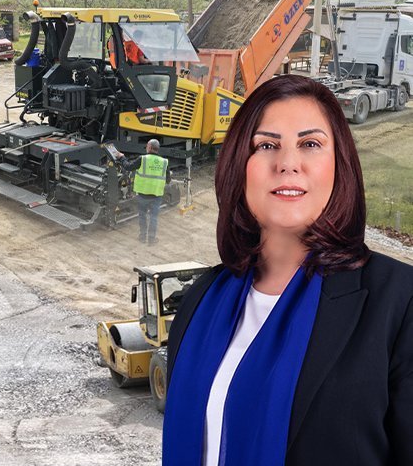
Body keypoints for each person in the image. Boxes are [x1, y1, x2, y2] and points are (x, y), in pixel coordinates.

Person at [162, 75, 413, 466]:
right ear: (239, 166)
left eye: (310, 144)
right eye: (266, 145)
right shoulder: (201, 300)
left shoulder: (400, 303)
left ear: (339, 164)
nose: (287, 163)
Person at [116, 139, 170, 245]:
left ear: (149, 147)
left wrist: (121, 157)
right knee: (154, 217)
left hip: (143, 194)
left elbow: (128, 167)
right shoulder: (164, 162)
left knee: (142, 215)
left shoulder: (143, 159)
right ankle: (151, 239)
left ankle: (142, 237)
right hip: (156, 195)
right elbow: (168, 180)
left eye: (146, 146)